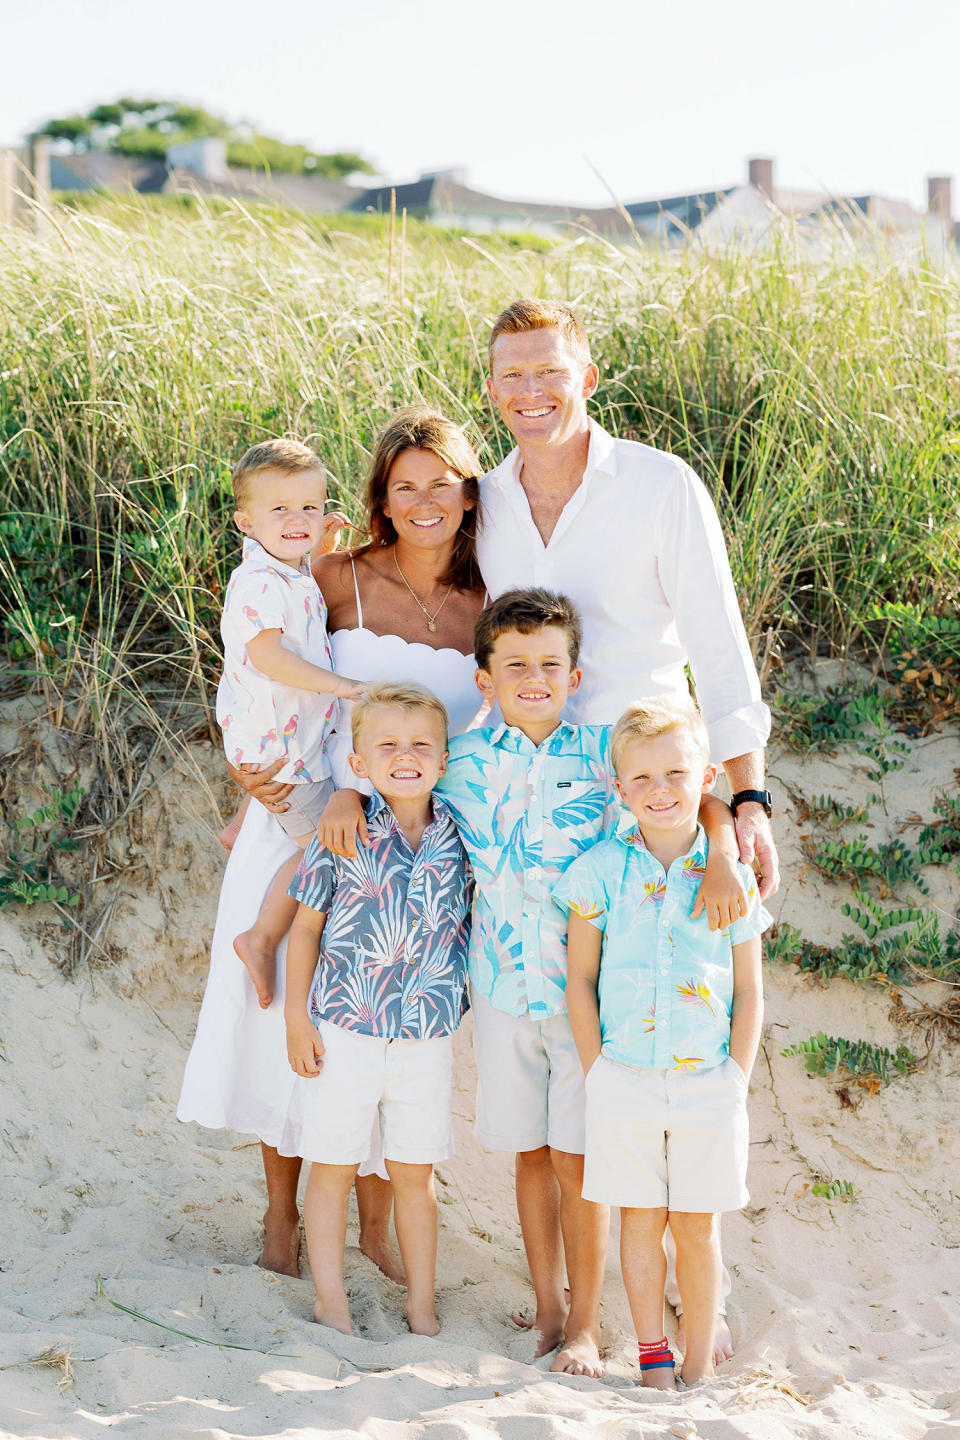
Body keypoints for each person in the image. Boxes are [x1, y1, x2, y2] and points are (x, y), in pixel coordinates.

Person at [475, 298, 780, 1357]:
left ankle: (705, 1297)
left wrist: (741, 802)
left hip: (658, 803)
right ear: (491, 385)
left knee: (678, 1031)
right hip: (546, 828)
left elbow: (718, 646)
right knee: (586, 1073)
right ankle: (587, 1317)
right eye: (511, 375)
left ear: (587, 374)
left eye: (548, 371)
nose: (531, 392)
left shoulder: (658, 485)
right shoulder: (488, 500)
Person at [178, 408, 486, 1283]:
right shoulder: (332, 575)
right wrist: (251, 771)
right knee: (279, 1025)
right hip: (314, 823)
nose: (423, 501)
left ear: (469, 493)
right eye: (403, 485)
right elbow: (262, 665)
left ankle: (375, 1233)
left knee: (391, 1051)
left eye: (441, 483)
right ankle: (280, 1220)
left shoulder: (488, 595)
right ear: (381, 498)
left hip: (419, 862)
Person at [436, 589, 746, 1378]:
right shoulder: (462, 763)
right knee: (531, 1158)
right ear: (486, 678)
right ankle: (545, 1305)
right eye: (515, 665)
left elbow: (690, 791)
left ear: (575, 677)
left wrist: (719, 851)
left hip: (592, 1003)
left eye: (549, 664)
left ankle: (584, 1323)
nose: (533, 677)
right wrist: (340, 789)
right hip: (503, 988)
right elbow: (389, 779)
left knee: (580, 1159)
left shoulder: (605, 755)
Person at [557, 698, 770, 1388]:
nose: (659, 791)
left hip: (709, 1082)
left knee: (698, 1227)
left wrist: (735, 1077)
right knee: (641, 1225)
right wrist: (598, 1073)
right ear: (619, 789)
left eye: (676, 773)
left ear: (706, 776)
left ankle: (700, 1362)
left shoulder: (728, 878)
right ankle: (653, 1359)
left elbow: (749, 990)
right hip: (625, 1079)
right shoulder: (599, 872)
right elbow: (580, 981)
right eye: (641, 779)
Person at [284, 683, 471, 1336]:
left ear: (444, 759)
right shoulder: (345, 829)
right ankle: (330, 1299)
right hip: (345, 1030)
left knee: (414, 1178)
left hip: (426, 1036)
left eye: (422, 745)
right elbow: (305, 929)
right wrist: (296, 1019)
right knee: (332, 1166)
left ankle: (422, 1305)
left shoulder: (460, 837)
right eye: (387, 745)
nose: (406, 756)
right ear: (358, 762)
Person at [215, 439, 366, 1011]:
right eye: (280, 510)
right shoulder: (256, 584)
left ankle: (243, 820)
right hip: (282, 754)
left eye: (310, 506)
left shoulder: (287, 569)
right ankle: (261, 938)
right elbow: (269, 659)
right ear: (246, 522)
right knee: (322, 853)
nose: (298, 519)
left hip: (290, 739)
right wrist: (342, 686)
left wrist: (318, 545)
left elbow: (299, 564)